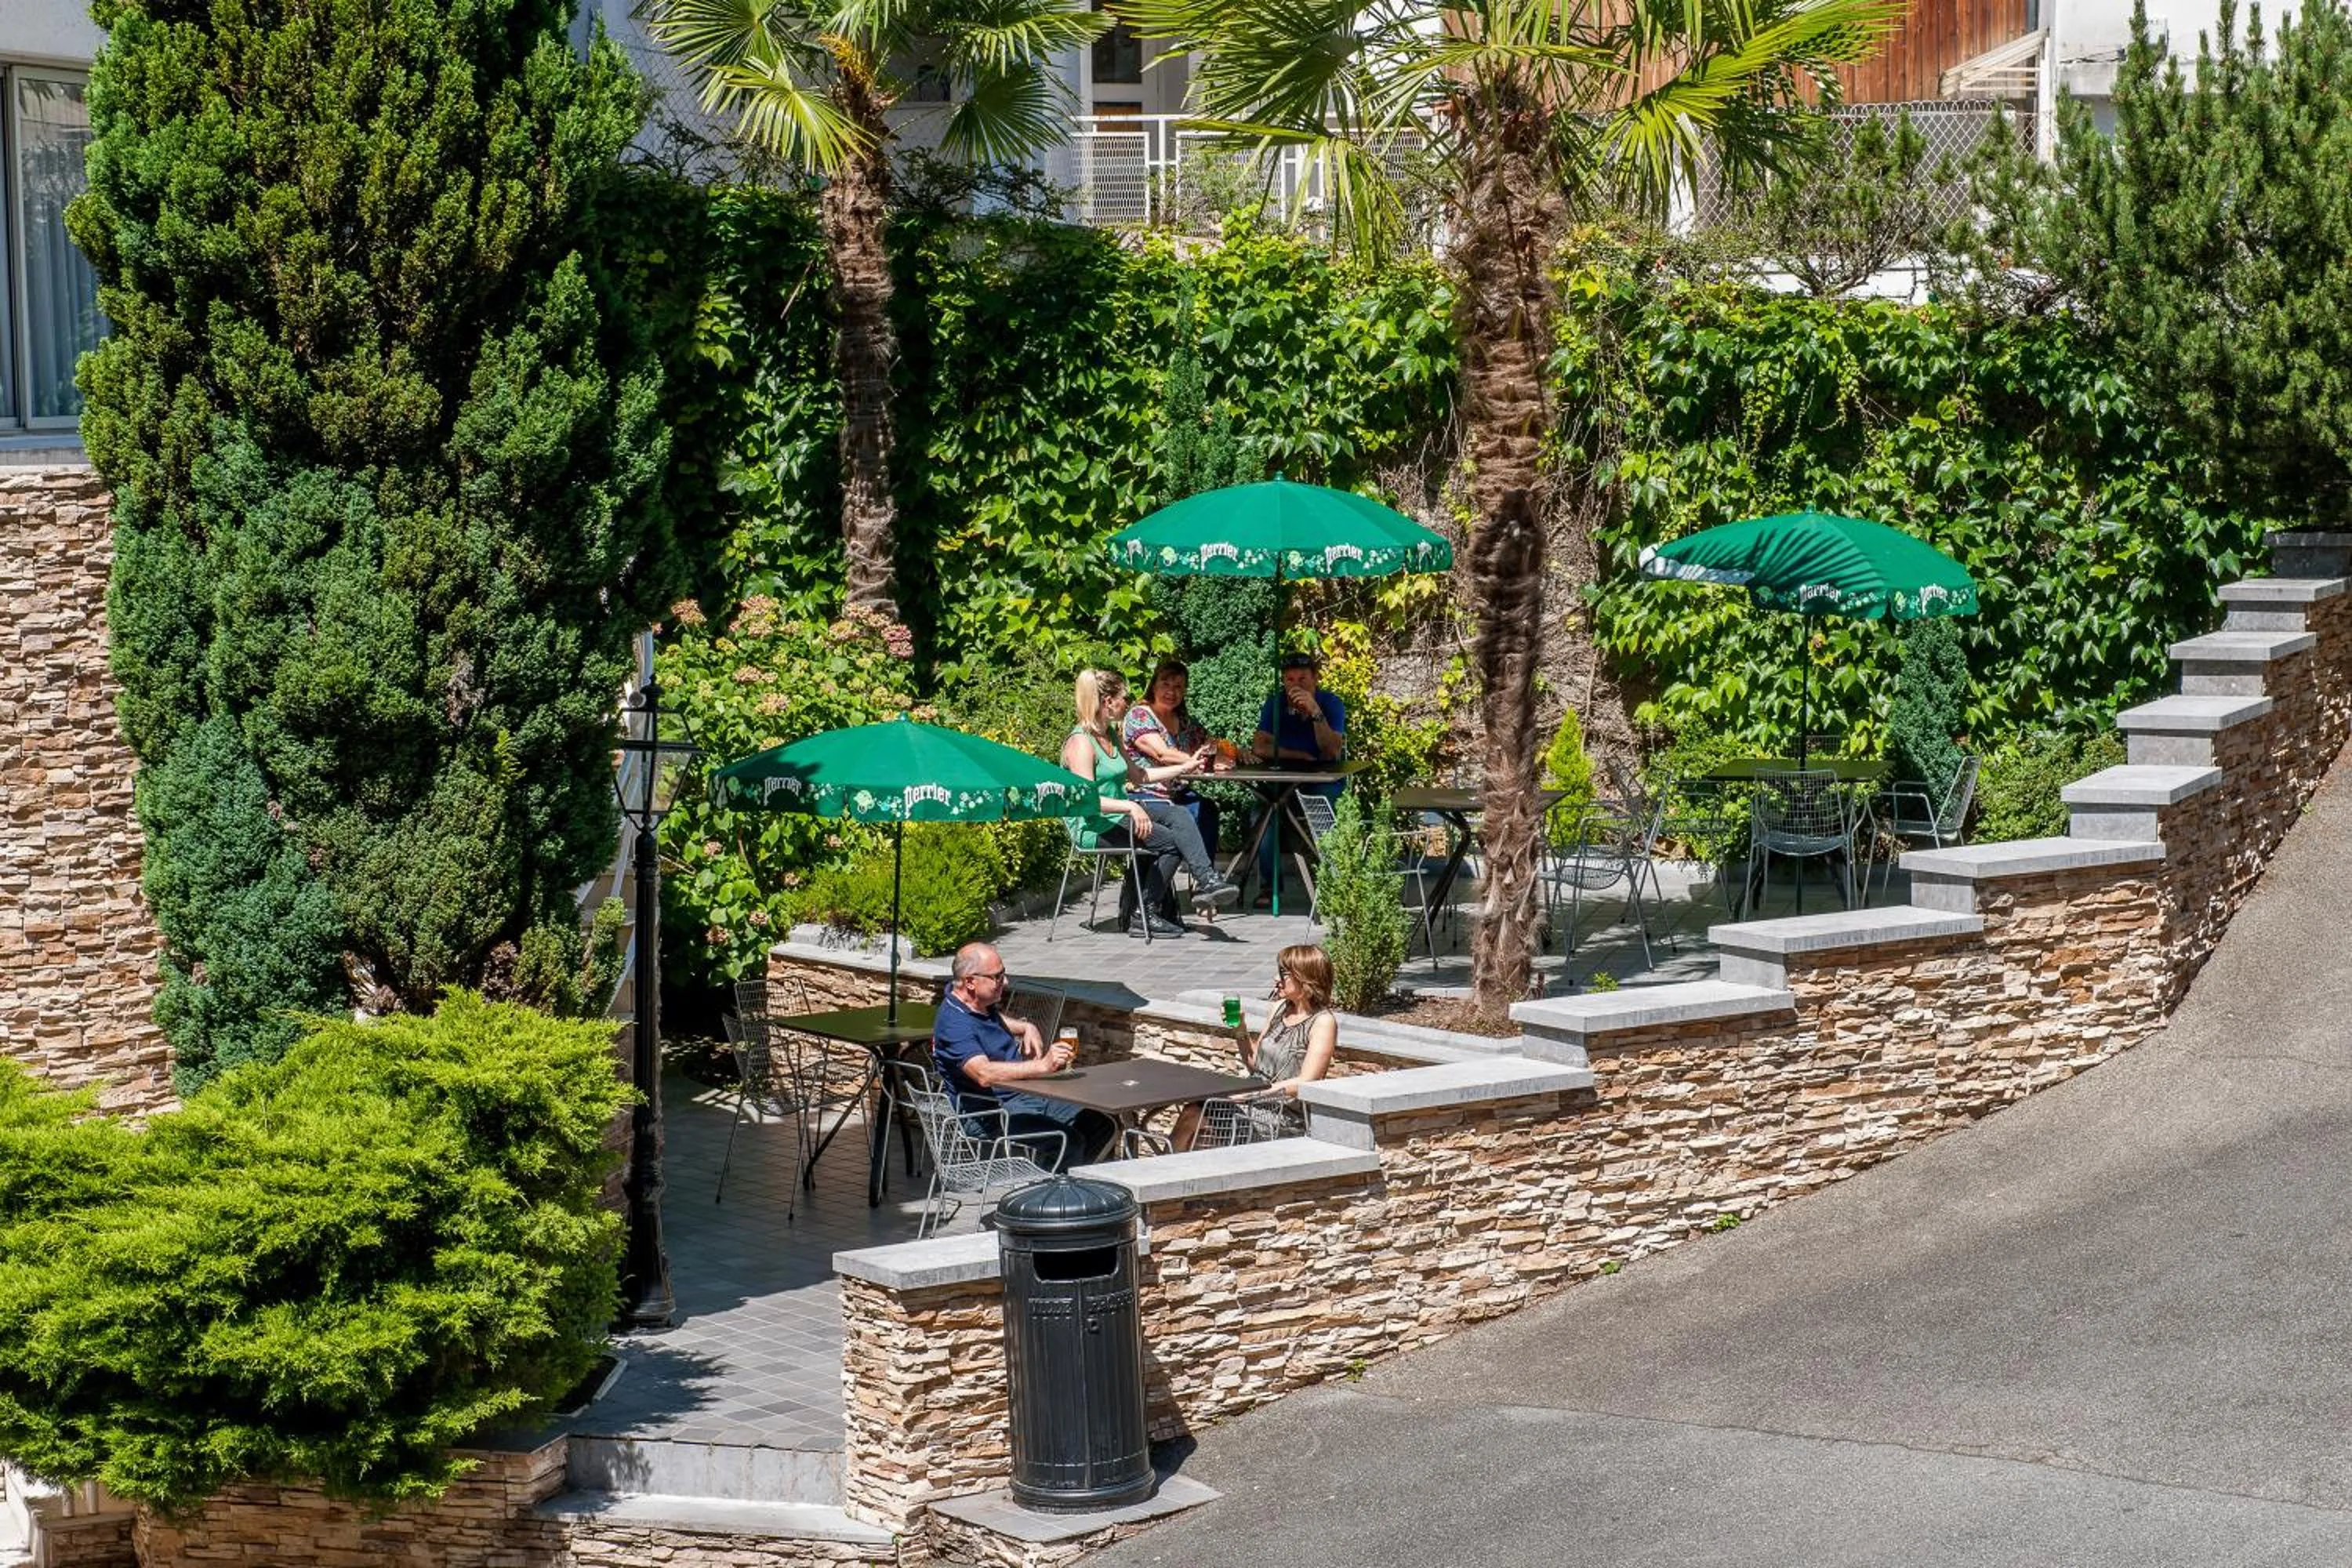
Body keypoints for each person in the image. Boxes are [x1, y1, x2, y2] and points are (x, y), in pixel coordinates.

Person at [1064, 670, 1235, 938]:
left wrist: (1185, 767)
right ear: (1108, 702)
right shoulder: (1081, 743)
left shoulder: (1110, 735)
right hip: (1094, 826)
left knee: (1179, 815)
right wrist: (1131, 807)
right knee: (1170, 843)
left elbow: (1140, 776)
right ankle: (1145, 913)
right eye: (1125, 698)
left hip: (1119, 815)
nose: (1128, 703)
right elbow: (1087, 801)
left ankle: (1207, 880)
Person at [931, 942, 1117, 1173]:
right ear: (970, 982)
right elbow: (983, 1074)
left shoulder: (976, 1003)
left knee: (1101, 1123)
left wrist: (1026, 1027)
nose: (1005, 982)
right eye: (997, 977)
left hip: (1024, 1095)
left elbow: (991, 1019)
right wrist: (1043, 1066)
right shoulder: (954, 1023)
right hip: (991, 1113)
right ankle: (1050, 1191)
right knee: (1068, 1143)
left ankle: (1066, 1180)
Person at [1173, 944, 1340, 1150]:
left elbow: (1306, 1082)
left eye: (1283, 974)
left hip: (1282, 1118)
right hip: (1252, 1102)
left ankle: (1159, 1167)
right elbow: (1255, 1064)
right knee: (1197, 1115)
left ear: (1304, 978)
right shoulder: (1279, 1008)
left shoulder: (1322, 1022)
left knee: (1196, 1114)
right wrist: (1240, 1029)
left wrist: (1251, 1094)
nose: (1276, 978)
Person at [1249, 652, 1348, 886]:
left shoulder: (1331, 703)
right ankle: (1270, 887)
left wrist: (1315, 712)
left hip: (1322, 779)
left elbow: (1331, 751)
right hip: (1284, 780)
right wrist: (1299, 755)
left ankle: (1334, 885)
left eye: (1302, 679)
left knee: (1323, 809)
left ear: (1315, 679)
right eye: (1290, 680)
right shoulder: (1275, 704)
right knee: (1263, 812)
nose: (1296, 685)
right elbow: (1260, 747)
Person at [1125, 658, 1228, 863]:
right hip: (1144, 793)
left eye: (1178, 687)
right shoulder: (1140, 715)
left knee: (1207, 810)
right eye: (1166, 684)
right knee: (1186, 816)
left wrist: (1223, 754)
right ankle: (1195, 873)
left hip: (1176, 792)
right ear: (1154, 686)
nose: (1171, 692)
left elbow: (1210, 742)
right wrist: (1191, 762)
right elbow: (1162, 754)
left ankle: (1204, 874)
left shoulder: (1183, 720)